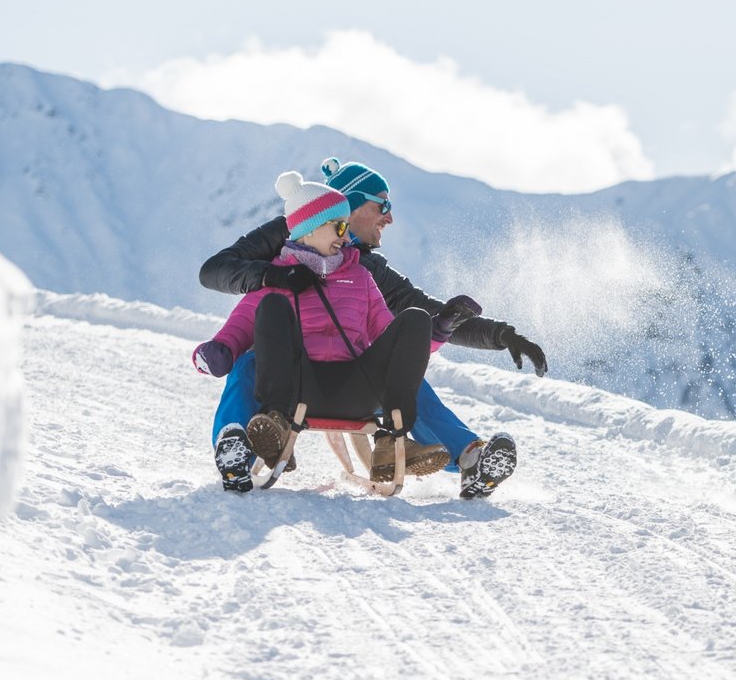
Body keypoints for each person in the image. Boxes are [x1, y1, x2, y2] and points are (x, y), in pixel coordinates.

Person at [199, 158, 538, 498]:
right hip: (290, 373)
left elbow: (412, 321)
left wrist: (496, 334)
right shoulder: (288, 229)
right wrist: (273, 277)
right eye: (382, 205)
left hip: (352, 378)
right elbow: (218, 273)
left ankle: (468, 457)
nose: (389, 218)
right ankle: (238, 445)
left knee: (406, 371)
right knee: (247, 363)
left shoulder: (365, 271)